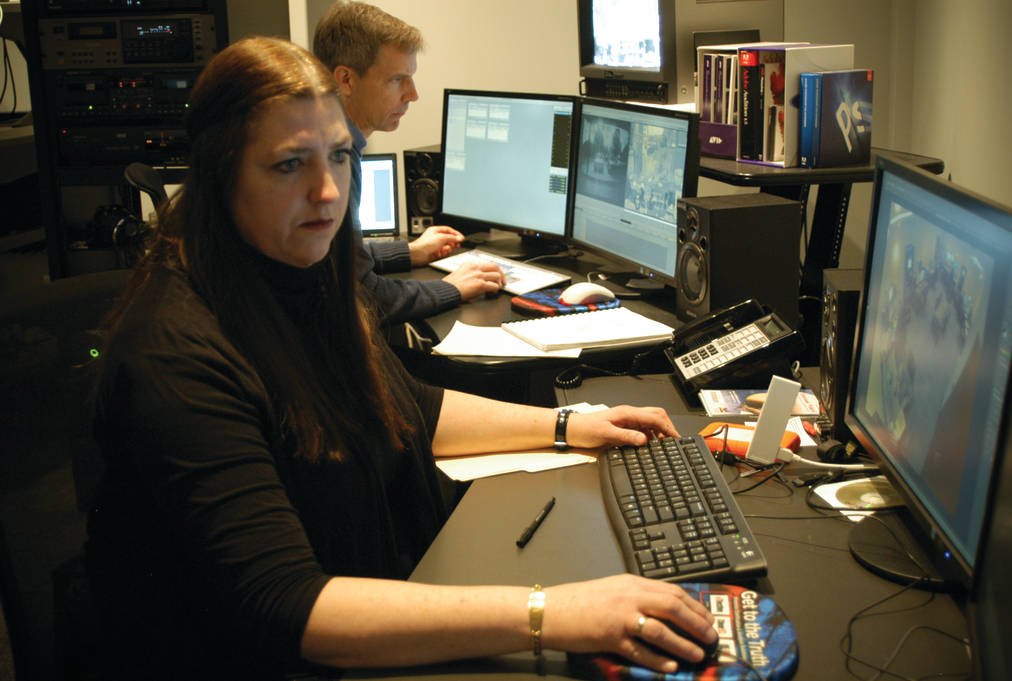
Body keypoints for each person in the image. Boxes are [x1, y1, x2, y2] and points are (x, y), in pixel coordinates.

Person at [83, 36, 717, 680]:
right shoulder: (175, 353)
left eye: (339, 156)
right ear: (221, 174)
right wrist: (547, 613)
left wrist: (567, 425)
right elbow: (287, 605)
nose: (329, 192)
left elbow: (407, 405)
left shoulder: (303, 276)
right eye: (288, 165)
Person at [313, 0, 504, 325]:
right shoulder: (332, 159)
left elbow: (342, 256)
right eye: (396, 80)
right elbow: (361, 292)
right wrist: (451, 288)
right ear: (345, 79)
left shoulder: (332, 141)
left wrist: (409, 251)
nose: (412, 94)